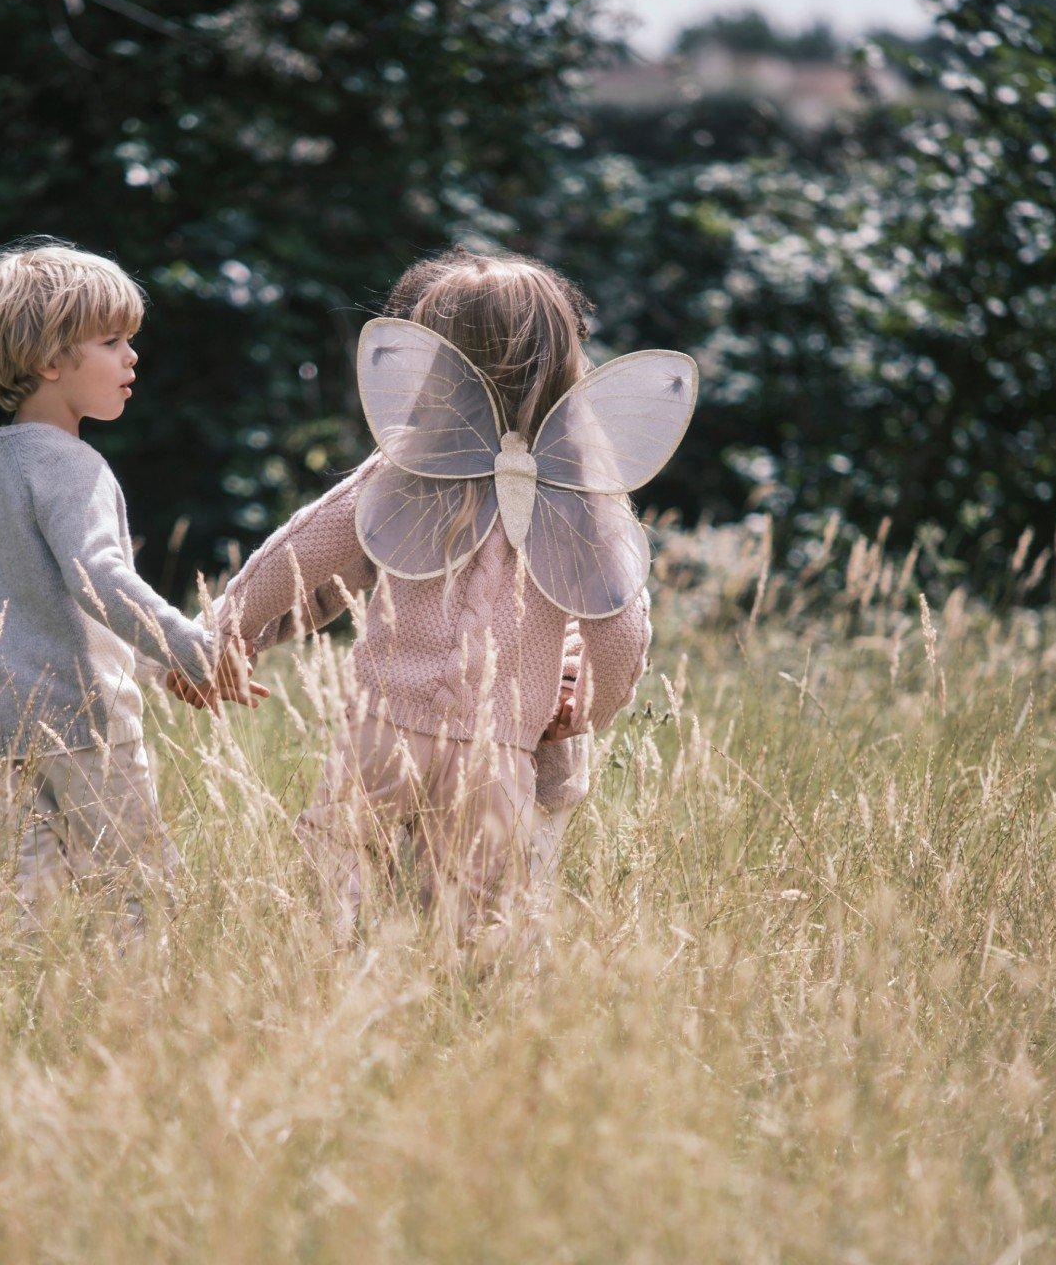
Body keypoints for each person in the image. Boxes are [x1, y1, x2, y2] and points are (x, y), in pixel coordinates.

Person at [213, 248, 695, 952]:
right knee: (477, 926)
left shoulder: (407, 462)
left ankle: (334, 998)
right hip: (497, 754)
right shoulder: (583, 492)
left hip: (383, 731)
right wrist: (586, 708)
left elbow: (304, 551)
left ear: (432, 361)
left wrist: (229, 629)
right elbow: (619, 628)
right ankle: (472, 1029)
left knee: (331, 883)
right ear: (566, 362)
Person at [0, 237, 263, 925]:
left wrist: (154, 663)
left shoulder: (2, 462)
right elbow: (100, 580)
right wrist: (195, 649)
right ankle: (140, 1017)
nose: (132, 357)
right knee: (139, 889)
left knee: (23, 894)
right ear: (50, 359)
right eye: (113, 341)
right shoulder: (73, 466)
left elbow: (49, 606)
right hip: (84, 723)